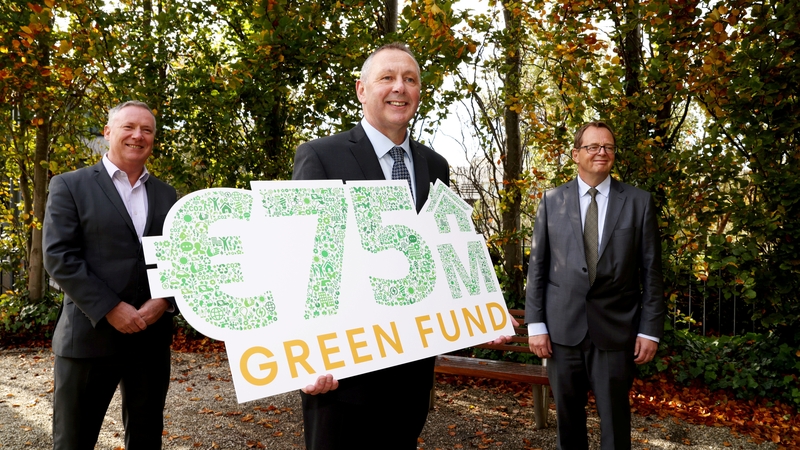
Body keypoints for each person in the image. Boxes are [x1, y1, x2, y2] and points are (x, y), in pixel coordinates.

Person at [291, 42, 450, 450]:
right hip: (342, 370)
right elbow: (301, 259)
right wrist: (309, 355)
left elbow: (440, 254)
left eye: (410, 80)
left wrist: (477, 312)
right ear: (362, 90)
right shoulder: (320, 156)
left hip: (411, 368)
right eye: (387, 78)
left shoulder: (435, 166)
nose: (400, 87)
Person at [43, 100, 178, 450]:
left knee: (147, 439)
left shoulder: (166, 194)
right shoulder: (70, 185)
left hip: (149, 338)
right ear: (108, 132)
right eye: (129, 127)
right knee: (74, 440)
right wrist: (111, 308)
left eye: (147, 130)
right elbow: (59, 257)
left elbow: (178, 259)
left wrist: (163, 302)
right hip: (90, 336)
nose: (138, 135)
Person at [525, 121, 665, 449]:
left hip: (616, 332)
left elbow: (651, 272)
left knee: (616, 426)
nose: (602, 152)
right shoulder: (551, 201)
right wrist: (536, 325)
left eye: (608, 147)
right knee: (568, 425)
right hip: (562, 333)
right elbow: (538, 268)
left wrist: (650, 331)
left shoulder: (638, 202)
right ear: (576, 154)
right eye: (593, 146)